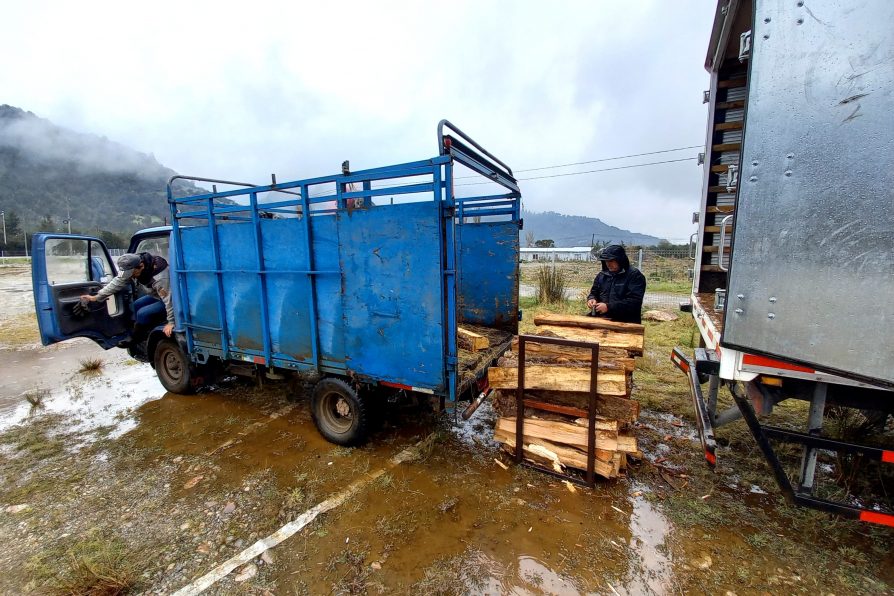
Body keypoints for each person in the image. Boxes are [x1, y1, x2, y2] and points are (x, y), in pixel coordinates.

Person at [80, 252, 175, 344]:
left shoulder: (159, 278)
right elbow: (117, 282)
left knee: (143, 313)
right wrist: (97, 297)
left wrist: (171, 322)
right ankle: (142, 329)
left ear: (141, 266)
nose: (130, 276)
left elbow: (169, 300)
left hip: (174, 299)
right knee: (136, 305)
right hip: (158, 296)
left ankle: (137, 338)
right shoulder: (135, 266)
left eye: (131, 273)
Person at [586, 244, 646, 324]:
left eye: (611, 261)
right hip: (602, 319)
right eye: (606, 261)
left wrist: (608, 307)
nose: (608, 264)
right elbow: (594, 292)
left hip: (625, 322)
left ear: (620, 260)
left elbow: (634, 302)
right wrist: (592, 299)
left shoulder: (634, 276)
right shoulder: (602, 275)